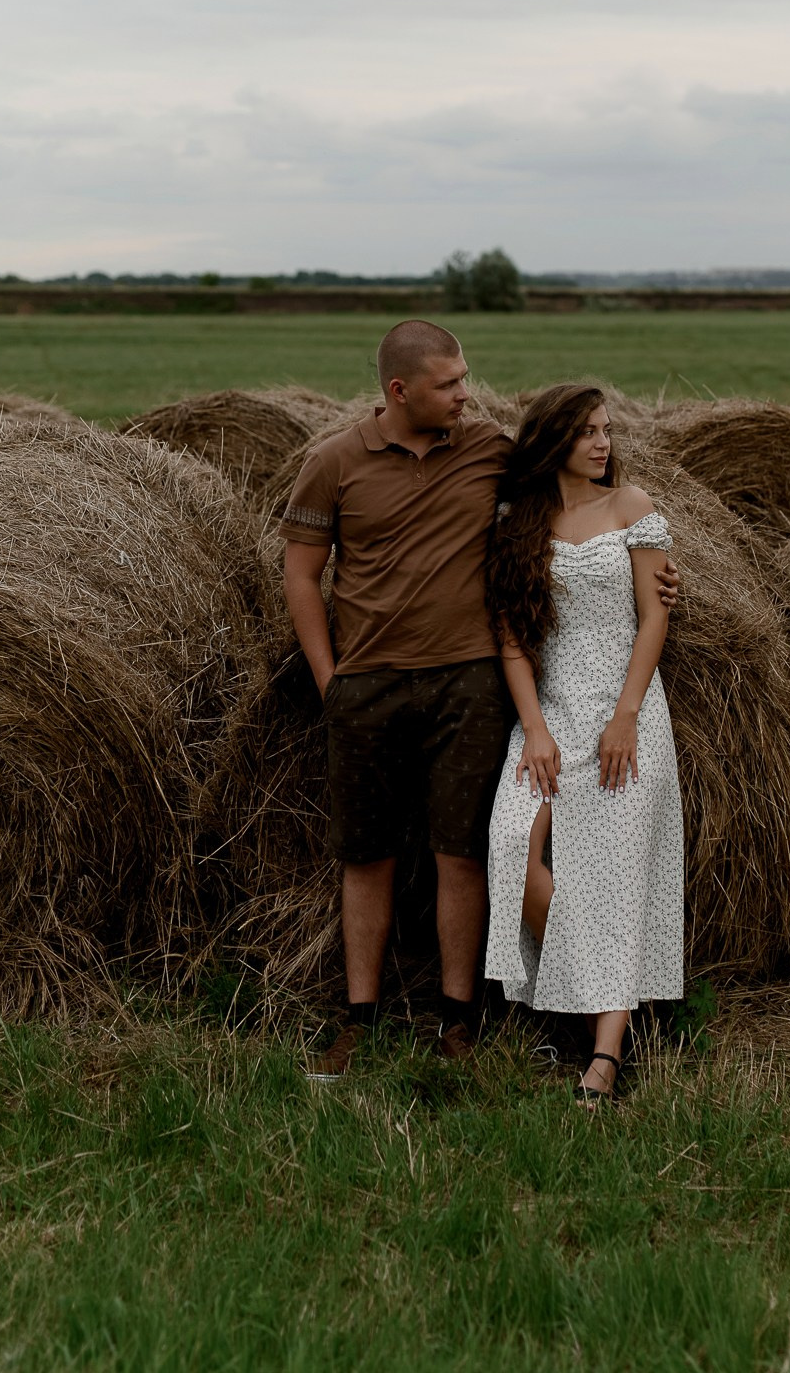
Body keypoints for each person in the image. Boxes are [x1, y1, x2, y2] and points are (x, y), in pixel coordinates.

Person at [281, 323, 678, 1079]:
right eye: (451, 383)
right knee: (366, 855)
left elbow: (588, 513)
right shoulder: (332, 463)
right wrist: (331, 680)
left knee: (461, 854)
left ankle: (460, 1020)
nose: (468, 393)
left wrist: (657, 579)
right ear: (400, 391)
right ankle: (359, 1020)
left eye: (466, 379)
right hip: (369, 682)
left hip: (468, 682)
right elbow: (302, 576)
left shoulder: (490, 451)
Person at [483, 384, 683, 1104]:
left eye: (605, 430)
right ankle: (591, 986)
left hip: (625, 711)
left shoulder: (633, 507)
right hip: (550, 709)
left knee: (613, 870)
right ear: (552, 443)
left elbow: (654, 619)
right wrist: (533, 726)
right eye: (585, 433)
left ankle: (605, 1052)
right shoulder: (515, 522)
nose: (602, 443)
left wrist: (625, 715)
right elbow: (511, 637)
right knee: (513, 843)